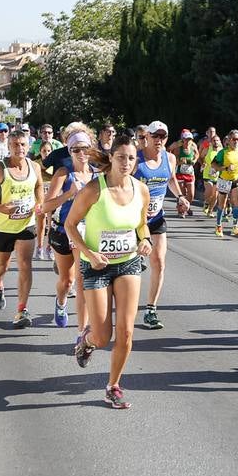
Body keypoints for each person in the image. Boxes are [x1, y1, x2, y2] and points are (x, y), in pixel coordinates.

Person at [65, 134, 154, 410]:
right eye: (120, 157)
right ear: (111, 158)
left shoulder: (141, 190)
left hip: (128, 263)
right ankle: (87, 341)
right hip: (96, 266)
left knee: (126, 333)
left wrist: (146, 240)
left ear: (135, 161)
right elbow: (70, 225)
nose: (126, 163)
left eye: (131, 158)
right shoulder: (94, 189)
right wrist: (90, 254)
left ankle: (113, 386)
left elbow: (141, 225)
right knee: (103, 336)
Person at [0, 130, 44, 329]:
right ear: (8, 147)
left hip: (26, 224)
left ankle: (22, 309)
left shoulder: (35, 167)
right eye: (15, 145)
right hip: (2, 227)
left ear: (28, 146)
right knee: (2, 267)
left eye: (23, 144)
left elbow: (39, 186)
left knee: (25, 265)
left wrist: (39, 203)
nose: (19, 148)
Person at [134, 120, 191, 329]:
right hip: (133, 221)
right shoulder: (135, 159)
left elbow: (171, 180)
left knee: (159, 261)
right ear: (146, 137)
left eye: (163, 136)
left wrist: (180, 197)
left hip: (156, 217)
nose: (159, 140)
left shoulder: (170, 158)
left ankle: (151, 309)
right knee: (128, 267)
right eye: (155, 136)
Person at [41, 130, 95, 329]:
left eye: (85, 149)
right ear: (70, 151)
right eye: (76, 150)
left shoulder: (97, 173)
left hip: (87, 232)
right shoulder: (64, 173)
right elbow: (46, 206)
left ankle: (83, 330)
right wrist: (69, 194)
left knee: (82, 281)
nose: (82, 153)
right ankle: (61, 302)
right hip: (63, 230)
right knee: (67, 280)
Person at [211, 130, 238, 236]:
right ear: (229, 140)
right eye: (234, 139)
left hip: (236, 179)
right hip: (224, 180)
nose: (236, 141)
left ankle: (235, 227)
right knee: (222, 203)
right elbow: (214, 165)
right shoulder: (223, 152)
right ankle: (218, 226)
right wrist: (225, 168)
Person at [34, 141, 58, 260]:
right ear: (40, 152)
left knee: (51, 224)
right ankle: (39, 247)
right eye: (44, 151)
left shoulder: (55, 164)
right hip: (40, 198)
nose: (47, 153)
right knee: (41, 223)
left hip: (53, 197)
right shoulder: (36, 164)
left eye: (49, 151)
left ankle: (49, 248)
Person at [169, 130, 198, 216]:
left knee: (191, 194)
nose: (188, 141)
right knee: (182, 194)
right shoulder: (178, 146)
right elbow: (170, 154)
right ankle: (181, 210)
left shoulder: (193, 146)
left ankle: (187, 206)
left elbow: (197, 154)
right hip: (180, 172)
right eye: (186, 139)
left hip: (190, 173)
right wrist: (179, 161)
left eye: (190, 139)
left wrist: (194, 160)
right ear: (183, 139)